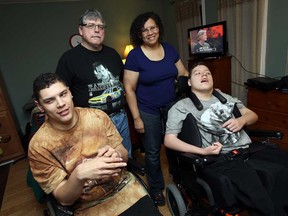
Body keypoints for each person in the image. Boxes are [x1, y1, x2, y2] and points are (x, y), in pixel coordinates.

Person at [28, 73, 161, 216]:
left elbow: (123, 155)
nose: (61, 104)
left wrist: (116, 155)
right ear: (40, 106)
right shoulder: (39, 146)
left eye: (63, 94)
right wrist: (79, 175)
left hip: (125, 189)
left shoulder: (97, 117)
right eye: (49, 101)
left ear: (70, 92)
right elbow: (64, 200)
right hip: (87, 206)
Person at [164, 62, 288, 216]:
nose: (204, 74)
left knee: (282, 169)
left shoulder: (225, 97)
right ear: (189, 82)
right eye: (197, 73)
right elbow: (169, 140)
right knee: (259, 194)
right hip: (224, 158)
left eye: (207, 72)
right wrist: (202, 151)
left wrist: (241, 120)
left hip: (250, 150)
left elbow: (253, 115)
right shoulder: (181, 106)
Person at [123, 11, 188, 206]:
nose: (150, 32)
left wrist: (193, 87)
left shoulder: (169, 49)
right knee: (152, 152)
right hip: (147, 110)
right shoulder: (135, 56)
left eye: (153, 27)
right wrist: (136, 118)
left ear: (158, 28)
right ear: (139, 34)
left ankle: (179, 181)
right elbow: (129, 88)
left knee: (174, 146)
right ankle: (156, 188)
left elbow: (183, 72)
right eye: (144, 30)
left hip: (171, 107)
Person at [55, 9, 132, 158]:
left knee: (125, 157)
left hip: (120, 117)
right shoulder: (68, 59)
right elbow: (61, 93)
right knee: (102, 165)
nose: (97, 30)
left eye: (101, 26)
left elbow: (123, 81)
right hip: (91, 124)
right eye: (91, 25)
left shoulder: (113, 54)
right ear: (81, 30)